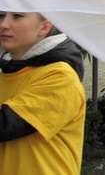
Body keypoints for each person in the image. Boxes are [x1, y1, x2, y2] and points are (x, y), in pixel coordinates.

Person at [0, 11, 85, 174]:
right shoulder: (6, 73)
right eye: (1, 16)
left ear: (45, 26)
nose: (4, 24)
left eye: (17, 16)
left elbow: (7, 125)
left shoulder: (60, 77)